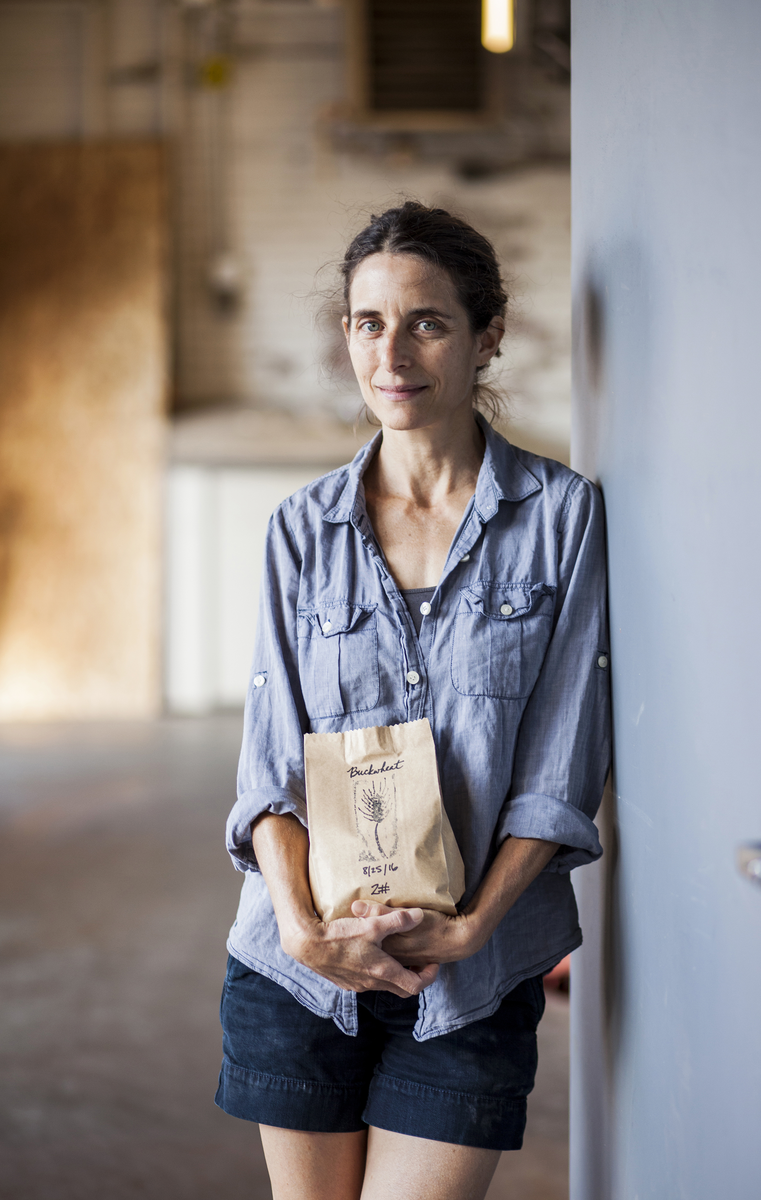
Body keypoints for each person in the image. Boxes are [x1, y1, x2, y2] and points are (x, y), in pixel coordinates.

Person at [216, 201, 610, 1200]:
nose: (390, 352)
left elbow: (558, 766)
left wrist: (474, 924)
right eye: (365, 321)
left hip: (471, 979)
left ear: (487, 337)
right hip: (300, 967)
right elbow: (267, 767)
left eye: (425, 321)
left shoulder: (561, 521)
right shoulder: (298, 531)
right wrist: (304, 928)